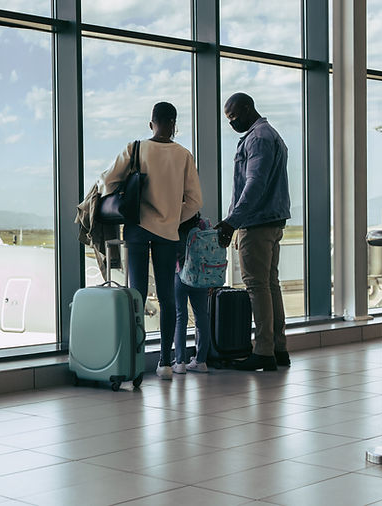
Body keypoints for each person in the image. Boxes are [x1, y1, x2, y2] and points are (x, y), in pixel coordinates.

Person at [99, 102, 202, 380]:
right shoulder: (183, 155)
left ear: (151, 124)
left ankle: (134, 361)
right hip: (168, 234)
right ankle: (165, 362)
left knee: (137, 295)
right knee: (168, 297)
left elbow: (107, 181)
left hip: (136, 229)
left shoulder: (135, 148)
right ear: (174, 124)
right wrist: (172, 218)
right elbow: (195, 201)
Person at [215, 93, 291, 371]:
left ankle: (263, 351)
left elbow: (254, 184)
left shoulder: (257, 138)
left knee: (257, 286)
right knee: (271, 284)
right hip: (273, 221)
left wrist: (231, 221)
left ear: (248, 108)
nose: (231, 122)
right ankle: (278, 348)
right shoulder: (273, 135)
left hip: (256, 224)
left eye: (233, 116)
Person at [173, 214, 211, 373]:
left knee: (180, 315)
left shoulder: (176, 225)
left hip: (181, 274)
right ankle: (201, 361)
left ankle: (180, 362)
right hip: (201, 276)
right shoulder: (203, 224)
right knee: (202, 316)